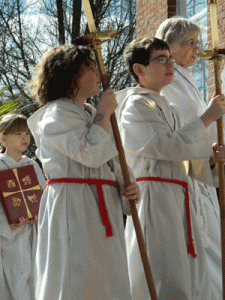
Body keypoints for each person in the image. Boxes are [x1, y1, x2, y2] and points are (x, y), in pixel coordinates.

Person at [27, 44, 140, 300]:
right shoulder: (55, 115)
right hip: (73, 205)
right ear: (69, 76)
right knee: (76, 278)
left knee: (106, 280)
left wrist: (127, 186)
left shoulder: (90, 114)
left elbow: (111, 159)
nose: (99, 74)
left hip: (101, 205)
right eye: (90, 68)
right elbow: (90, 154)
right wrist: (104, 112)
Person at [116, 37, 225, 299]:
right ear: (139, 70)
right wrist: (207, 117)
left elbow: (182, 157)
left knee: (190, 274)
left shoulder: (170, 107)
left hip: (180, 194)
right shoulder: (134, 105)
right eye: (161, 59)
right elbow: (165, 147)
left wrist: (208, 159)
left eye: (170, 58)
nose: (170, 64)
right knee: (164, 272)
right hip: (155, 198)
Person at [156, 16, 222, 299]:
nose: (197, 48)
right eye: (190, 42)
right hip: (186, 179)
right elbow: (180, 133)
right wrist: (206, 156)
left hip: (202, 179)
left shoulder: (187, 80)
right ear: (171, 45)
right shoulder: (169, 85)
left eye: (198, 42)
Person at [0, 113, 46, 300]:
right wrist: (8, 222)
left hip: (32, 233)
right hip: (9, 236)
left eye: (27, 133)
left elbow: (44, 198)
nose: (24, 138)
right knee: (14, 281)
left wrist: (39, 215)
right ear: (3, 138)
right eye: (18, 134)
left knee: (35, 279)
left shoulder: (32, 166)